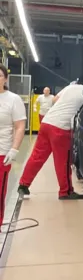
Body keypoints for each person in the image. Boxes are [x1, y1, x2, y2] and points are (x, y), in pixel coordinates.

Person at [18, 81, 83, 200]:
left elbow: (54, 100)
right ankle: (66, 192)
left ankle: (23, 184)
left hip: (47, 122)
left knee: (37, 156)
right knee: (63, 161)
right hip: (60, 127)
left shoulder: (70, 87)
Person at [0, 65, 26, 224]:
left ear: (5, 79)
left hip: (2, 153)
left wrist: (14, 149)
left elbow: (20, 126)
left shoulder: (13, 99)